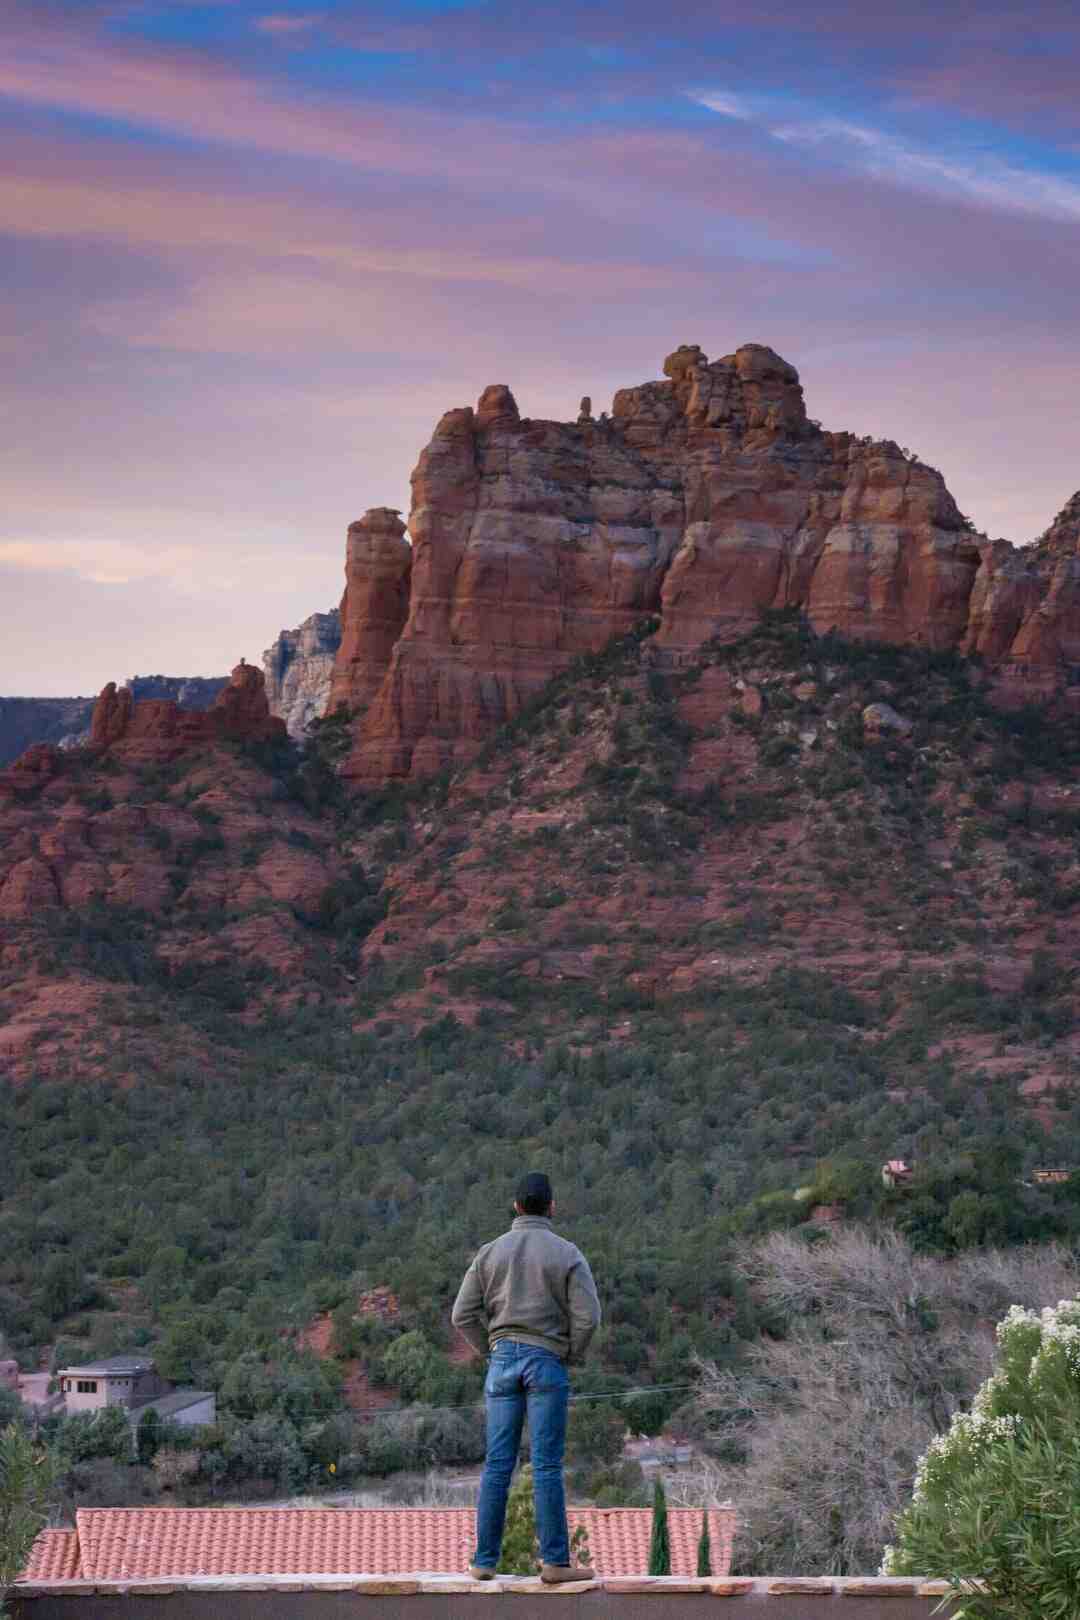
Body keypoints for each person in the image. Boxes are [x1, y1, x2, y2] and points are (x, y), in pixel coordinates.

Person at [452, 1172, 602, 1583]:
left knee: (497, 1464)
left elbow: (460, 1314)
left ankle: (484, 1562)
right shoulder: (567, 1253)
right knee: (546, 1465)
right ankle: (555, 1563)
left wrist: (491, 1350)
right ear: (551, 1207)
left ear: (516, 1207)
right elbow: (589, 1317)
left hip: (502, 1360)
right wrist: (570, 1353)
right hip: (546, 1361)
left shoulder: (488, 1253)